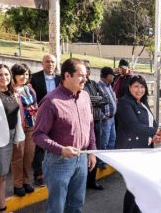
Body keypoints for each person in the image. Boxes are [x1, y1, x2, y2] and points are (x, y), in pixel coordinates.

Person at [32, 58, 96, 213]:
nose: (85, 79)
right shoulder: (50, 101)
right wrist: (61, 149)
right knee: (57, 208)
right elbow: (38, 135)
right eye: (81, 75)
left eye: (85, 75)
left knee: (76, 205)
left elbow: (90, 125)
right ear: (67, 76)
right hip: (58, 162)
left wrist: (92, 150)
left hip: (82, 158)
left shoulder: (85, 97)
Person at [116, 75, 161, 213]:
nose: (139, 89)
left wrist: (153, 137)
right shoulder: (124, 103)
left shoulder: (142, 103)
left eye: (142, 86)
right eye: (136, 86)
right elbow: (134, 126)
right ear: (129, 87)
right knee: (135, 187)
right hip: (130, 150)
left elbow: (148, 124)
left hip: (143, 148)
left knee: (139, 186)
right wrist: (159, 132)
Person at [30, 54, 60, 186]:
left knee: (56, 143)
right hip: (41, 115)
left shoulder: (61, 79)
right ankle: (38, 174)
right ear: (42, 63)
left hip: (58, 116)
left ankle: (54, 170)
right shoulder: (35, 78)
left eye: (53, 62)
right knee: (40, 145)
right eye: (47, 62)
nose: (50, 64)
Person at [0, 64, 25, 213]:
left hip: (11, 137)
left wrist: (17, 136)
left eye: (6, 74)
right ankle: (2, 207)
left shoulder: (12, 93)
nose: (4, 78)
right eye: (0, 75)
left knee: (2, 176)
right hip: (0, 139)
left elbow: (15, 116)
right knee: (1, 175)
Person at [11, 64, 38, 197]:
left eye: (26, 74)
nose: (24, 77)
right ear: (14, 75)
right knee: (18, 157)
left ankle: (27, 181)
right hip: (18, 128)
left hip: (31, 127)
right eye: (21, 74)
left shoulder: (30, 89)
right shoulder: (10, 90)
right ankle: (18, 184)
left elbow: (35, 105)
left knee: (29, 156)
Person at [83, 60, 108, 191]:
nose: (87, 71)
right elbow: (83, 99)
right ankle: (82, 181)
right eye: (85, 68)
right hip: (83, 123)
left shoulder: (93, 83)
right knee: (83, 152)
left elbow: (106, 99)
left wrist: (93, 100)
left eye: (88, 68)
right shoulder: (79, 85)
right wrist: (95, 100)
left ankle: (92, 180)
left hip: (96, 122)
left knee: (95, 151)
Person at [98, 67, 117, 155]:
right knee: (104, 142)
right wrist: (103, 116)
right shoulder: (98, 86)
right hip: (105, 120)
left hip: (112, 118)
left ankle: (109, 161)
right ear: (108, 76)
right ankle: (102, 163)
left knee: (112, 140)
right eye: (112, 75)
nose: (114, 77)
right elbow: (95, 104)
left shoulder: (109, 86)